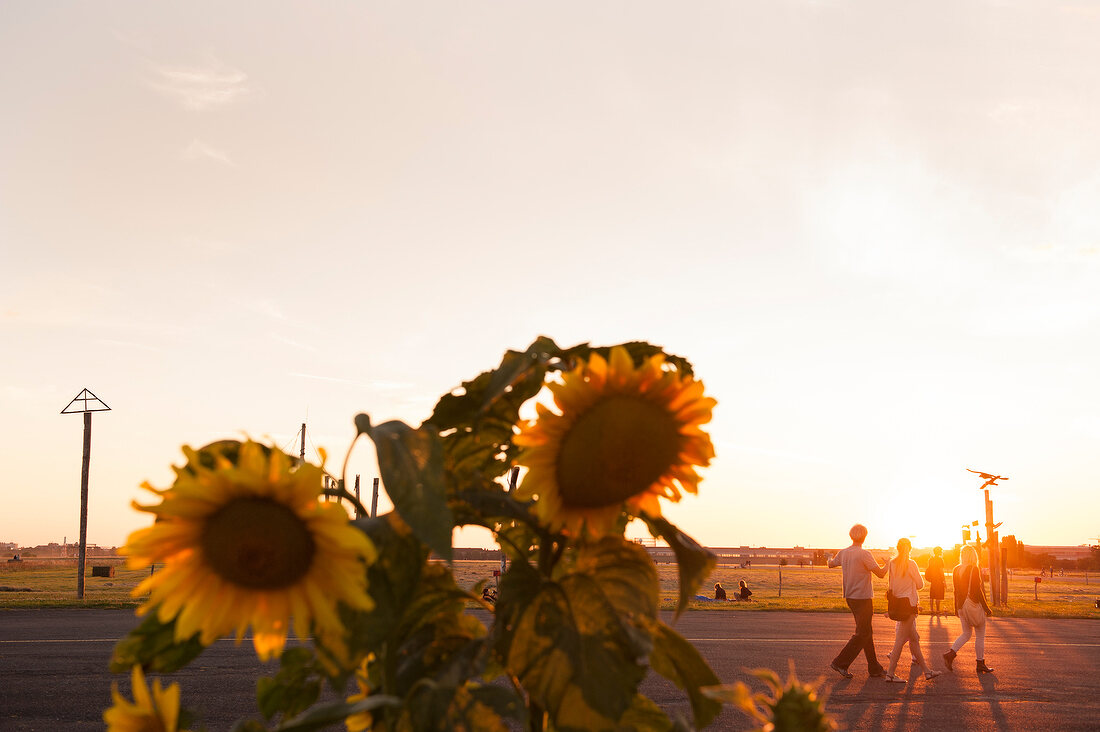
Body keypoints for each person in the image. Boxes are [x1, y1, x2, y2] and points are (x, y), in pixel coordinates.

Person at [827, 523, 888, 678]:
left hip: (850, 597)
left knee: (866, 632)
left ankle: (874, 667)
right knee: (863, 633)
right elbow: (880, 574)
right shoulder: (864, 554)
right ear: (865, 536)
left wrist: (829, 557)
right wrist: (887, 564)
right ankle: (840, 662)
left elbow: (831, 564)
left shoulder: (844, 553)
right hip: (863, 598)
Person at [883, 538, 941, 682]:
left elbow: (891, 585)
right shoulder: (911, 564)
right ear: (909, 548)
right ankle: (890, 674)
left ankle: (927, 671)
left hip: (897, 604)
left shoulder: (892, 563)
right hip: (909, 605)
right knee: (900, 640)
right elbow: (920, 584)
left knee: (914, 639)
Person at [944, 544, 994, 674]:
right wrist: (986, 608)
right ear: (973, 555)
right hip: (973, 605)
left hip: (961, 606)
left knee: (966, 633)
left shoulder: (956, 569)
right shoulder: (974, 569)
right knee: (980, 635)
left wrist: (956, 608)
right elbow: (978, 591)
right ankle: (980, 663)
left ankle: (951, 653)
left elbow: (955, 591)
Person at [925, 546, 946, 617]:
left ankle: (932, 610)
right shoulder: (940, 559)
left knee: (932, 595)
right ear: (939, 551)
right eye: (941, 550)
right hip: (939, 579)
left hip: (933, 579)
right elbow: (941, 571)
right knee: (938, 596)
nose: (942, 552)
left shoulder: (931, 559)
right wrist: (944, 580)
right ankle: (937, 610)